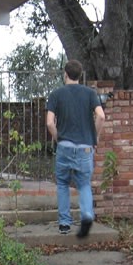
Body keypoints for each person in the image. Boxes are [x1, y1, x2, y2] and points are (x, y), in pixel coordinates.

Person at [46, 60, 106, 238]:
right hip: (85, 148)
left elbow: (49, 122)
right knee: (83, 184)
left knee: (63, 184)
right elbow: (101, 116)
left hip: (64, 146)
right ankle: (87, 214)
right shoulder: (90, 93)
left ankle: (64, 224)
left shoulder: (56, 94)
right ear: (80, 75)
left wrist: (58, 137)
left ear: (65, 74)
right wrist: (93, 137)